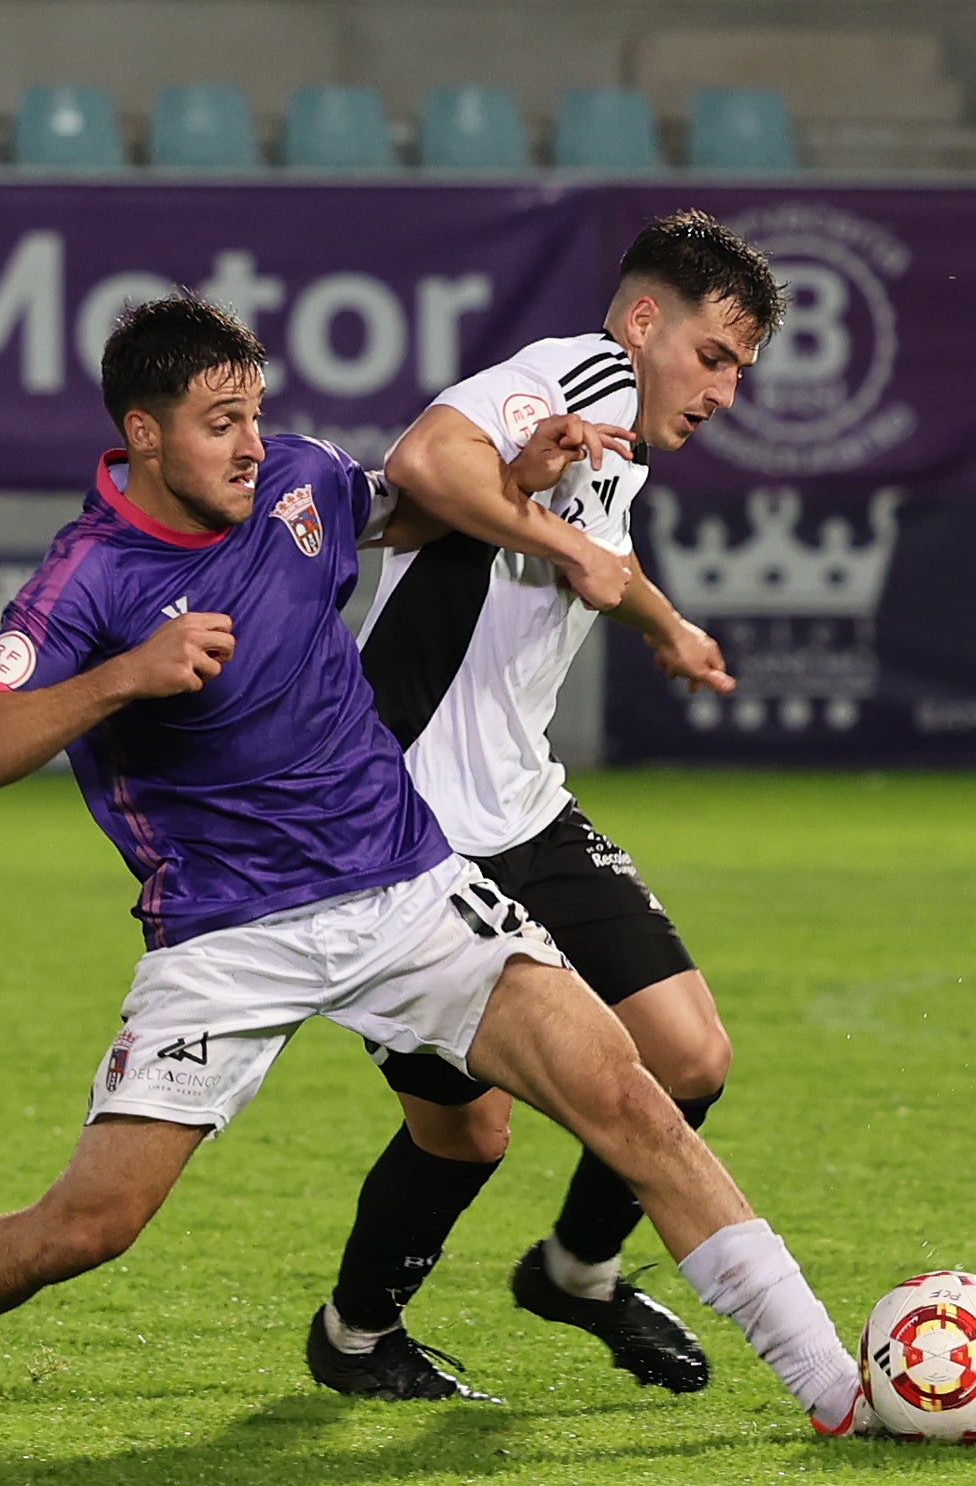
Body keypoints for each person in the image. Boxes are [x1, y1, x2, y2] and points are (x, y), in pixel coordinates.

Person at [0, 294, 880, 1439]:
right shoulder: (90, 578)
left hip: (409, 888)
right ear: (143, 434)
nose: (255, 444)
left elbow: (407, 514)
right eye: (223, 423)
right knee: (91, 1223)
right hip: (226, 938)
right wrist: (121, 677)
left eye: (257, 412)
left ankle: (838, 1388)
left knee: (633, 1101)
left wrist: (520, 480)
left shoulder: (302, 480)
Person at [305, 208, 780, 1404]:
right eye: (714, 354)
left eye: (742, 370)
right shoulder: (579, 373)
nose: (725, 388)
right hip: (405, 835)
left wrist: (666, 625)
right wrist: (555, 541)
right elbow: (423, 464)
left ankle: (577, 1268)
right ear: (641, 321)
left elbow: (593, 555)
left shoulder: (614, 441)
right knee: (464, 1134)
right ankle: (356, 1336)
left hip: (523, 810)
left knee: (688, 1054)